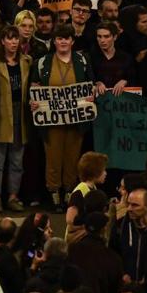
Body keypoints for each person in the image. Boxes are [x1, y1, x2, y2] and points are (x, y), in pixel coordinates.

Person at [30, 25, 95, 209]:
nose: (63, 42)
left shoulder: (82, 60)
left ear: (72, 41)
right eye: (59, 38)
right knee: (53, 157)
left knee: (72, 156)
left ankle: (69, 191)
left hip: (76, 119)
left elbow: (90, 84)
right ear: (54, 41)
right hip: (51, 120)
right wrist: (35, 101)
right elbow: (35, 86)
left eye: (67, 38)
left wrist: (90, 96)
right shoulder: (43, 62)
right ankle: (54, 193)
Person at [0, 26, 31, 213]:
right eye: (9, 38)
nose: (14, 42)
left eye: (16, 39)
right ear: (2, 41)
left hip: (20, 114)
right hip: (1, 114)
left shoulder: (27, 61)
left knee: (17, 161)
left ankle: (13, 196)